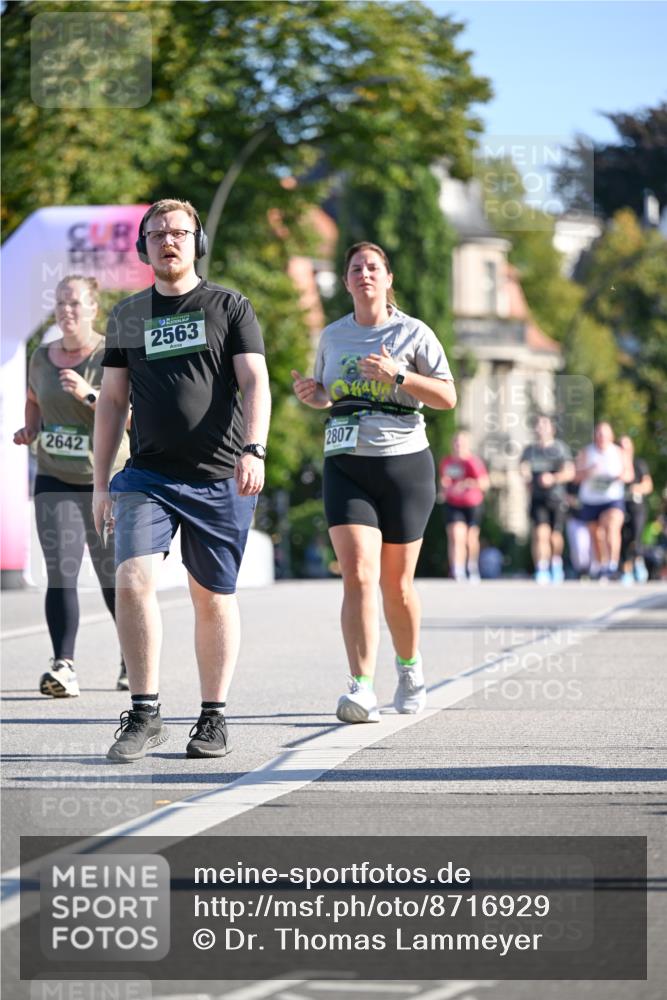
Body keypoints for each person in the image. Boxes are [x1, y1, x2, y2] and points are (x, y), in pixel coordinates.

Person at [93, 198, 271, 762]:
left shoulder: (230, 306)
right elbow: (112, 401)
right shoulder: (126, 315)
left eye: (179, 232)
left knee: (211, 596)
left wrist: (254, 447)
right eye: (157, 233)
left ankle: (213, 718)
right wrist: (101, 481)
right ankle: (144, 713)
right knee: (132, 579)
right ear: (143, 246)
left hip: (220, 475)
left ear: (197, 242)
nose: (169, 241)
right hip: (146, 474)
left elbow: (256, 383)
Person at [291, 241, 456, 724]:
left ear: (388, 279)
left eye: (373, 268)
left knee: (396, 585)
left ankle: (409, 668)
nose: (364, 274)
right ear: (345, 282)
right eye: (356, 268)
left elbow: (446, 396)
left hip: (404, 465)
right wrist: (313, 393)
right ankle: (361, 687)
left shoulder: (414, 333)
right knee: (358, 574)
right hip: (345, 462)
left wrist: (399, 374)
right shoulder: (334, 336)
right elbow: (328, 394)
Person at [13, 275, 130, 696]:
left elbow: (132, 417)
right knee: (61, 572)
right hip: (54, 476)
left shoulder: (110, 355)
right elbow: (34, 396)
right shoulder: (42, 357)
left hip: (106, 480)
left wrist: (88, 395)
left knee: (111, 576)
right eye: (60, 303)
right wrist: (31, 428)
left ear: (93, 308)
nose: (66, 311)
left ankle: (130, 660)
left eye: (75, 303)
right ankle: (63, 665)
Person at [520, 414, 575, 584]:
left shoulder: (560, 449)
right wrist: (526, 477)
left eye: (544, 424)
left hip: (556, 498)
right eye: (538, 425)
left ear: (552, 428)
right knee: (540, 533)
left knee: (554, 536)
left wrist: (552, 479)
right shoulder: (530, 450)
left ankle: (556, 562)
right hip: (538, 498)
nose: (541, 428)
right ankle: (542, 568)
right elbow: (523, 468)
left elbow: (569, 472)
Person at [575, 422, 633, 580]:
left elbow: (629, 475)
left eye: (604, 434)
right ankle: (601, 565)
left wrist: (620, 477)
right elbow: (575, 476)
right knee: (596, 535)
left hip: (612, 498)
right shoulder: (587, 452)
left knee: (612, 527)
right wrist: (588, 471)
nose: (601, 437)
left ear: (611, 436)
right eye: (599, 434)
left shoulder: (618, 452)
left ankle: (612, 565)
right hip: (591, 499)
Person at [438, 430, 489, 582]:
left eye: (462, 443)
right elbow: (444, 481)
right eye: (456, 442)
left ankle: (471, 566)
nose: (458, 446)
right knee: (455, 535)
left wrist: (467, 484)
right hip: (453, 503)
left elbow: (485, 483)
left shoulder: (473, 462)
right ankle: (457, 569)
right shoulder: (447, 462)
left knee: (470, 538)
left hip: (472, 504)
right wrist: (444, 487)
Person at [618, 436, 653, 584]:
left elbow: (648, 486)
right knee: (623, 539)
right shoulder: (614, 466)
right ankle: (626, 570)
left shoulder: (638, 464)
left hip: (636, 507)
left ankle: (638, 563)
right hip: (620, 506)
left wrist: (635, 488)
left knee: (635, 537)